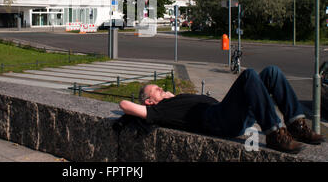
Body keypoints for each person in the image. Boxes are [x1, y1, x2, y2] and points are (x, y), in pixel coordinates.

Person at [119, 66, 325, 154]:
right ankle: (274, 134)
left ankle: (296, 124)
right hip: (217, 120)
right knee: (249, 75)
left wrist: (172, 96)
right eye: (156, 90)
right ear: (150, 102)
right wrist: (156, 105)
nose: (161, 89)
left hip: (226, 113)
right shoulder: (161, 110)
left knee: (271, 72)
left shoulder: (174, 100)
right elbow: (124, 105)